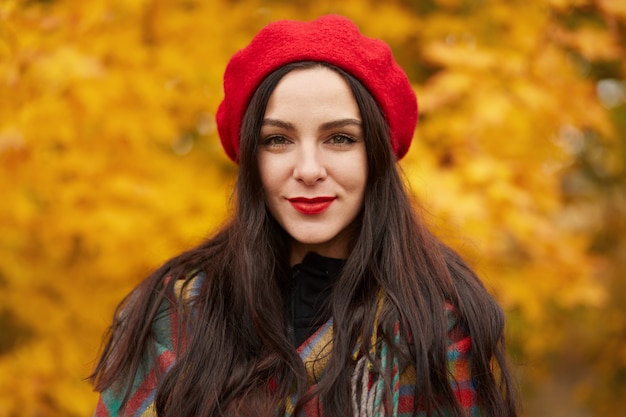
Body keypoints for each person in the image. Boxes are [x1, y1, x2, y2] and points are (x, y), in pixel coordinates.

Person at [90, 14, 519, 417]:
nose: (309, 170)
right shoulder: (177, 309)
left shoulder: (435, 320)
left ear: (376, 156)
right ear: (251, 160)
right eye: (278, 140)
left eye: (339, 138)